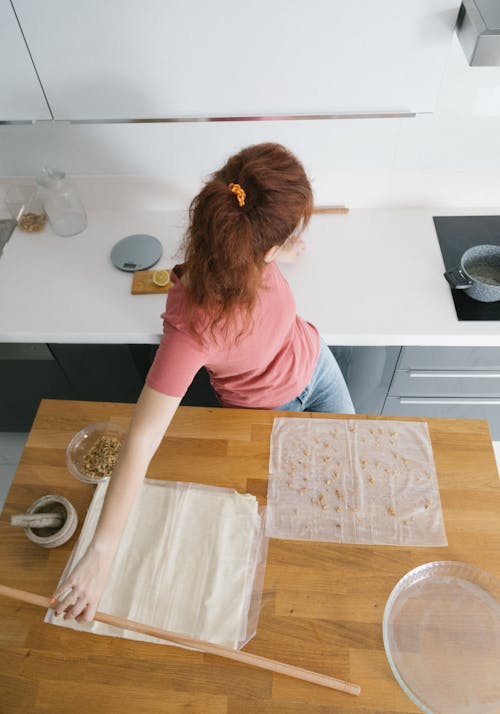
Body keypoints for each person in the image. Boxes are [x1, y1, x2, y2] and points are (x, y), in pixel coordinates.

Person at [51, 142, 354, 622]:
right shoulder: (193, 327)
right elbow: (141, 442)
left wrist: (284, 251)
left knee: (353, 484)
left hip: (318, 365)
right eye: (289, 234)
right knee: (302, 525)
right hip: (265, 412)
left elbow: (268, 264)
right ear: (263, 244)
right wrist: (102, 553)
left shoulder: (252, 251)